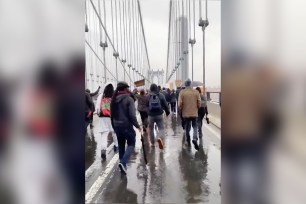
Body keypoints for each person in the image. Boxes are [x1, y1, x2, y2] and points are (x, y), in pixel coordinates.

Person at [110, 81, 142, 175]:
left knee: (121, 145)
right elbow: (132, 115)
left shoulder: (114, 99)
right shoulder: (129, 99)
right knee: (131, 143)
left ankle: (122, 165)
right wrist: (138, 126)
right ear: (125, 89)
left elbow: (111, 115)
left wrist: (114, 127)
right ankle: (123, 163)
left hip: (117, 126)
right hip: (126, 126)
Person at [95, 83, 118, 160]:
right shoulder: (114, 95)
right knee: (114, 132)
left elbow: (97, 108)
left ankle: (103, 150)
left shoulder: (101, 96)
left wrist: (99, 114)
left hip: (103, 117)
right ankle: (116, 146)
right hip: (112, 117)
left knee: (104, 134)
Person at [178, 79, 201, 150]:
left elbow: (179, 104)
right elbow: (199, 103)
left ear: (185, 84)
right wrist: (197, 107)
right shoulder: (196, 92)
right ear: (191, 84)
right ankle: (194, 138)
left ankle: (188, 141)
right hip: (194, 113)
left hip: (186, 113)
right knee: (195, 126)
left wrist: (181, 108)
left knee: (187, 127)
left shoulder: (182, 92)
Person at [146, 83, 170, 149]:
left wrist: (148, 112)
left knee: (151, 129)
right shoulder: (161, 95)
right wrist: (167, 112)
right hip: (159, 114)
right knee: (161, 128)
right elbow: (165, 104)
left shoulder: (148, 96)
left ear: (150, 88)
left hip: (151, 115)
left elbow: (146, 105)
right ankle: (161, 139)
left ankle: (153, 143)